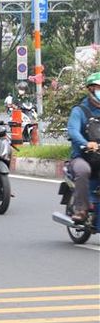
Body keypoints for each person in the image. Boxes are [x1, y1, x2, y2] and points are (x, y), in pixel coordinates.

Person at [67, 72, 100, 223]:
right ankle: (81, 208)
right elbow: (73, 130)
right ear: (91, 90)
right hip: (82, 156)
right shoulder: (79, 110)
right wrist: (86, 143)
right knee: (83, 170)